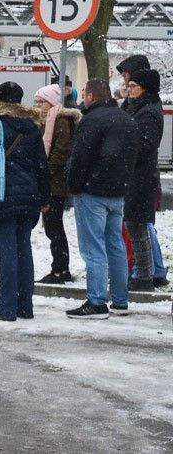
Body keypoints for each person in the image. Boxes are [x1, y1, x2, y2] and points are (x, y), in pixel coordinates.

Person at [0, 81, 50, 322]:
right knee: (23, 251)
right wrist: (44, 197)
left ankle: (6, 308)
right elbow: (41, 164)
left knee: (6, 252)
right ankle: (25, 306)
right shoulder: (31, 125)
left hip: (3, 194)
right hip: (28, 196)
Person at [65, 79, 138, 319]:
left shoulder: (91, 120)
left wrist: (73, 185)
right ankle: (120, 300)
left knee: (93, 248)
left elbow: (80, 158)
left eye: (85, 94)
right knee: (115, 245)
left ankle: (96, 302)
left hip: (92, 191)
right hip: (117, 191)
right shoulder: (126, 119)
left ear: (91, 96)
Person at [33, 84, 81, 285]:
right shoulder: (47, 120)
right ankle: (59, 267)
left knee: (54, 228)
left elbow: (60, 152)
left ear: (51, 102)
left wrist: (45, 171)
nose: (38, 105)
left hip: (55, 184)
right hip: (51, 182)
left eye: (41, 102)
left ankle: (60, 269)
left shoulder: (60, 120)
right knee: (51, 228)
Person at [122, 68, 164, 292]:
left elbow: (146, 144)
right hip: (136, 176)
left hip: (140, 177)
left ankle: (144, 275)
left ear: (145, 88)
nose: (129, 89)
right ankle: (143, 273)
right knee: (135, 225)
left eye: (133, 86)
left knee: (137, 226)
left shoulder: (149, 112)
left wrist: (123, 149)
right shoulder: (140, 107)